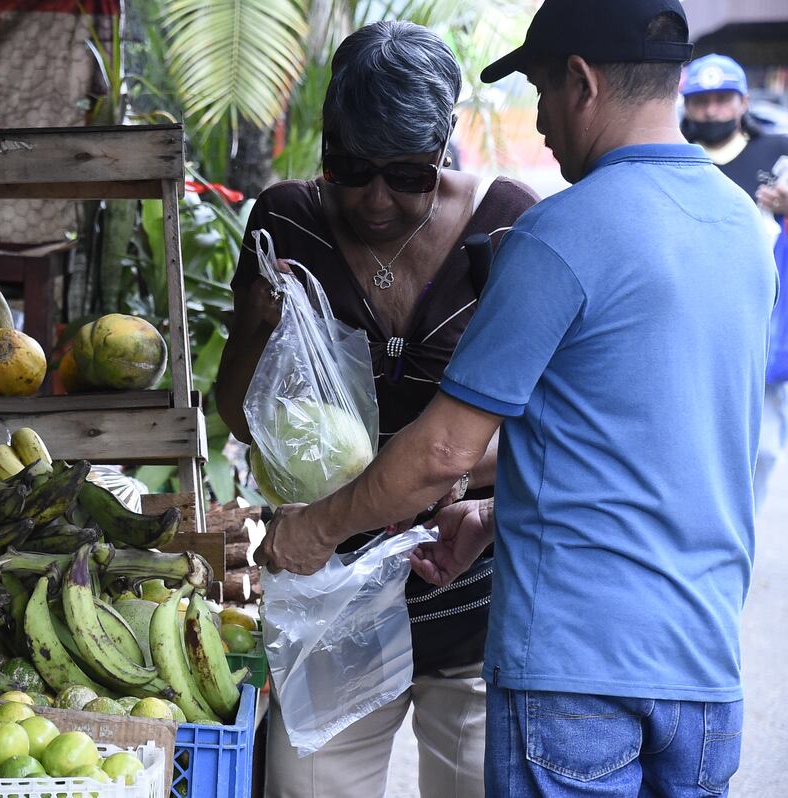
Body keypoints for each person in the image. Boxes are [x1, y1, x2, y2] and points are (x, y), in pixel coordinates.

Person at [255, 0, 777, 796]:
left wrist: (315, 528)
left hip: (573, 670)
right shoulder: (745, 229)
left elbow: (443, 451)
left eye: (538, 89)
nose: (537, 123)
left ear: (581, 81)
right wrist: (498, 515)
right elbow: (662, 448)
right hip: (702, 670)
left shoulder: (555, 236)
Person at [214, 21, 538, 798]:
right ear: (324, 144)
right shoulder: (286, 221)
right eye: (351, 169)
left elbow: (542, 423)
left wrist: (450, 471)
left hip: (471, 591)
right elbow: (239, 414)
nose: (377, 199)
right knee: (305, 786)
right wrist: (258, 325)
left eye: (408, 174)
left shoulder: (508, 225)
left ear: (444, 147)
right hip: (331, 597)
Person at [681, 53, 788, 511]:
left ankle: (742, 529)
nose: (712, 111)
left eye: (723, 99)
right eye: (701, 100)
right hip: (688, 320)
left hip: (762, 323)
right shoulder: (673, 154)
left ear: (743, 101)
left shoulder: (777, 152)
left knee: (762, 448)